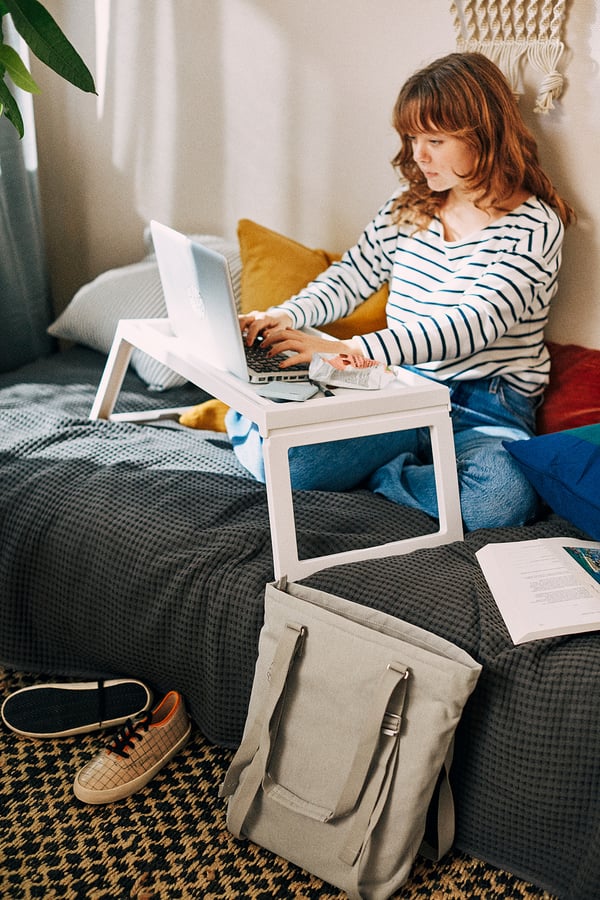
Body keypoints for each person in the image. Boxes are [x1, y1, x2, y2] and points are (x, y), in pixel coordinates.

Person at [227, 51, 575, 531]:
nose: (418, 155)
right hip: (399, 387)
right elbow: (353, 276)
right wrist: (286, 316)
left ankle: (385, 474)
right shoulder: (409, 205)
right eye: (413, 138)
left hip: (484, 404)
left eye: (435, 140)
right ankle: (412, 471)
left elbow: (471, 325)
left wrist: (349, 348)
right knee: (288, 463)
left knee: (500, 503)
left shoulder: (535, 227)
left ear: (485, 136)